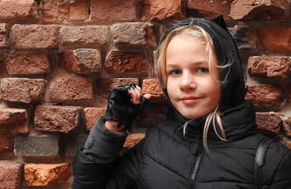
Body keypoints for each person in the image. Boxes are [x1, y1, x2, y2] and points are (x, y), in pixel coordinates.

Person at [72, 16, 291, 189]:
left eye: (202, 69)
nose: (186, 83)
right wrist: (113, 126)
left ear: (228, 75)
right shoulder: (155, 143)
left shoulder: (271, 161)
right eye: (175, 72)